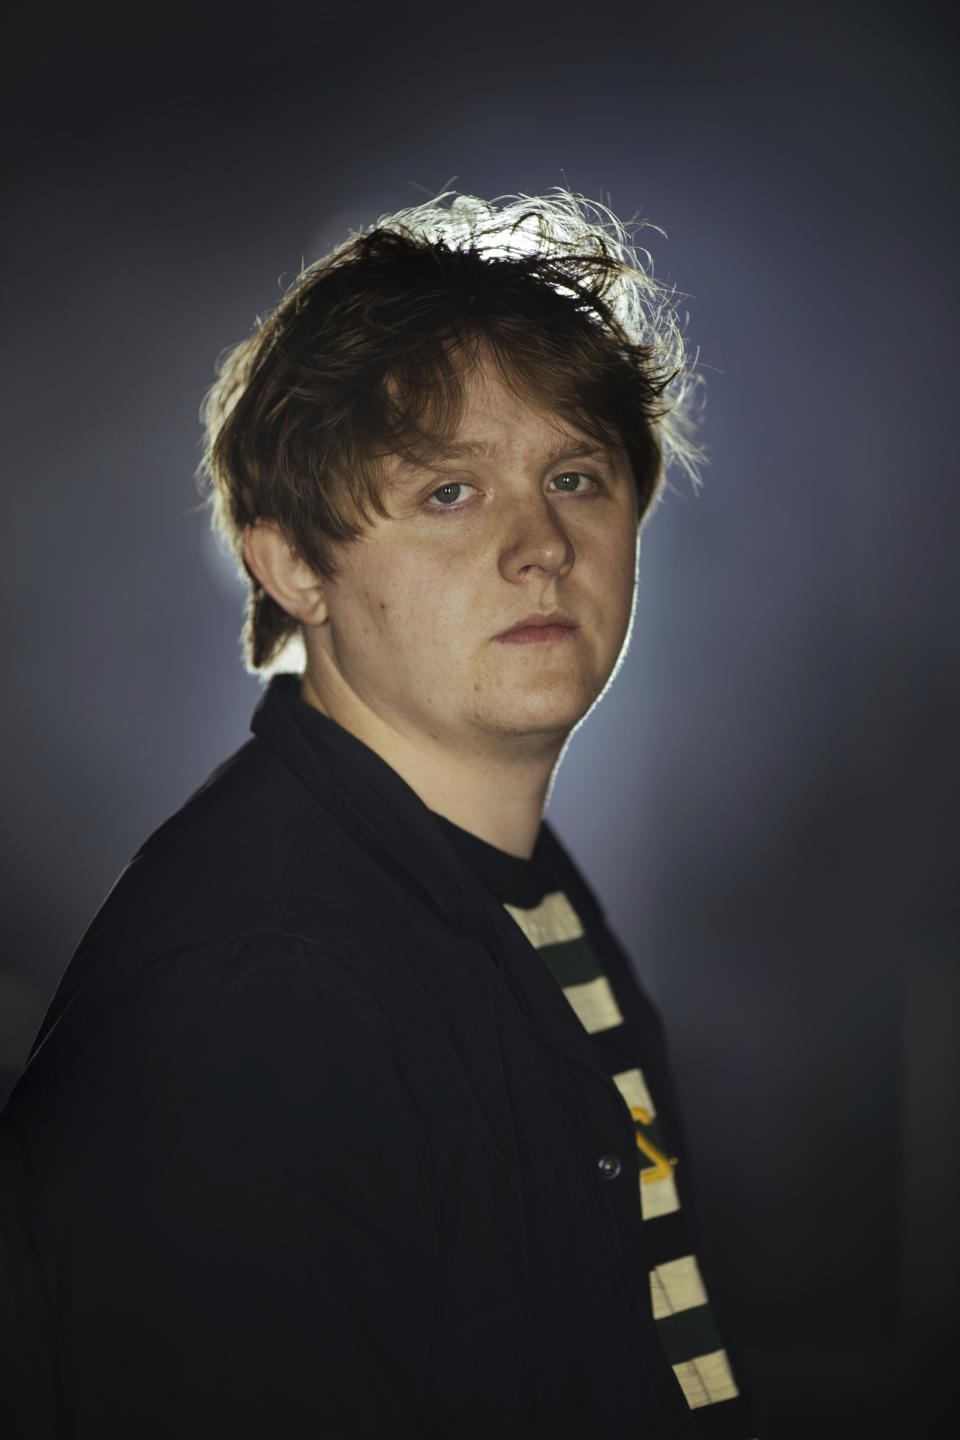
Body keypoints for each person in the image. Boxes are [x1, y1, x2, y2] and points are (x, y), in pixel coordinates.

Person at [0, 191, 756, 1437]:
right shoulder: (265, 989)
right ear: (294, 564)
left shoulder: (519, 894)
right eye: (449, 493)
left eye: (577, 476)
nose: (541, 546)